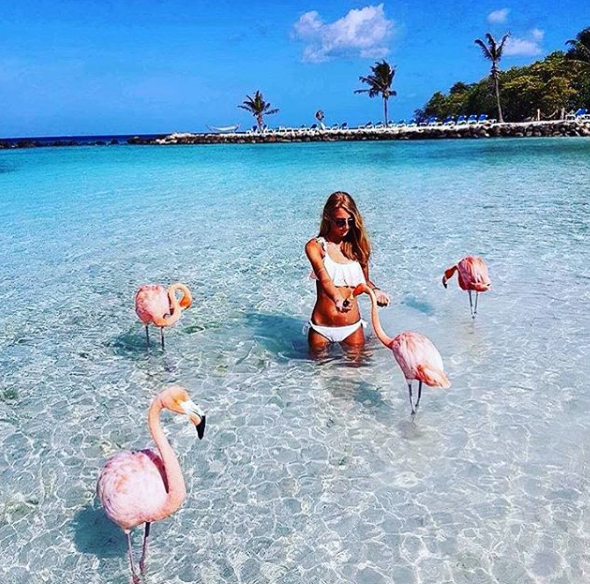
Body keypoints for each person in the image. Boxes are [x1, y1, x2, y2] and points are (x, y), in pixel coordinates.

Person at [305, 191, 390, 351]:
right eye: (340, 222)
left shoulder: (358, 248)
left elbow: (364, 282)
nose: (346, 227)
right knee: (316, 375)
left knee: (357, 375)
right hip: (321, 328)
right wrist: (337, 298)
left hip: (352, 327)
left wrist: (375, 291)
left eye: (350, 221)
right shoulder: (316, 246)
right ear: (327, 218)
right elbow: (324, 278)